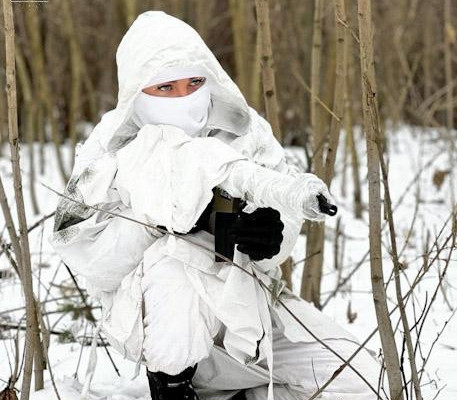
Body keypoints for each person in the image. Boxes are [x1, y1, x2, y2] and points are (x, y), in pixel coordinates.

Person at [50, 11, 384, 400]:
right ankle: (173, 388)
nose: (184, 97)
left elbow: (279, 201)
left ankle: (237, 394)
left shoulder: (244, 130)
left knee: (362, 382)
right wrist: (164, 220)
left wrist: (271, 240)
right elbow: (87, 257)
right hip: (161, 325)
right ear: (138, 92)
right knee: (177, 260)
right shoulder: (109, 149)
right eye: (165, 88)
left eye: (194, 82)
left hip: (250, 313)